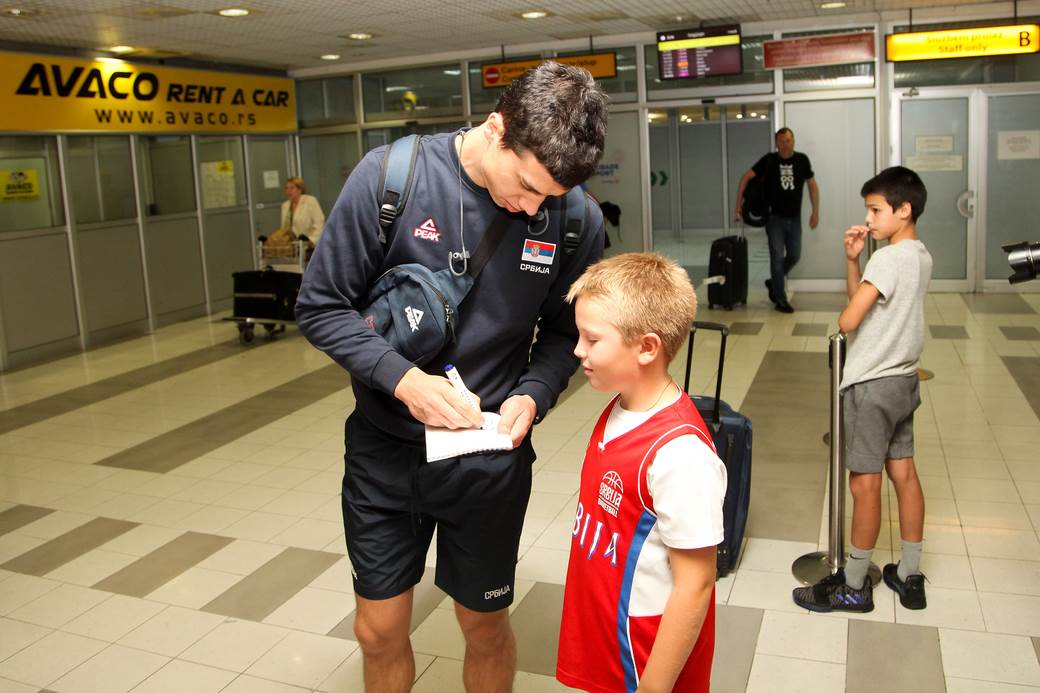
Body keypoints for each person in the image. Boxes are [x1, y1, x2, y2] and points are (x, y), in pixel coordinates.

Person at [295, 61, 607, 693]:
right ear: (496, 129)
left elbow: (569, 331)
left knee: (484, 626)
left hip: (487, 460)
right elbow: (320, 305)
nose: (532, 207)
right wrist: (403, 380)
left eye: (549, 196)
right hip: (386, 452)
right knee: (377, 631)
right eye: (524, 185)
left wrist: (534, 393)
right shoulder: (391, 180)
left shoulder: (575, 221)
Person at [557, 253, 725, 693]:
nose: (578, 350)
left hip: (644, 656)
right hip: (608, 637)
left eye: (592, 340)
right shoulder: (620, 406)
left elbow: (696, 583)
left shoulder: (680, 455)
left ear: (647, 347)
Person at [793, 166, 932, 613]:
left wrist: (866, 262)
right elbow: (869, 309)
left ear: (903, 209)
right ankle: (910, 575)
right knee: (904, 475)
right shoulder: (919, 255)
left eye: (875, 210)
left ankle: (853, 584)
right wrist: (853, 260)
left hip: (871, 385)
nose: (868, 220)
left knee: (864, 485)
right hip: (904, 380)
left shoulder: (888, 259)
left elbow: (849, 320)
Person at [734, 127, 820, 313]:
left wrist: (815, 211)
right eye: (781, 141)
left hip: (794, 219)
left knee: (795, 255)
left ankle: (774, 281)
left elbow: (812, 186)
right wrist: (738, 206)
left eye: (788, 140)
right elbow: (745, 178)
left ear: (793, 141)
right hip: (774, 219)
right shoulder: (769, 160)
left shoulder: (802, 160)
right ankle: (780, 298)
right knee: (776, 259)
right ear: (776, 143)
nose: (785, 144)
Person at [280, 176, 326, 244]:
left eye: (292, 188)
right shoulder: (285, 205)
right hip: (293, 247)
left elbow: (320, 224)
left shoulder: (310, 201)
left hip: (310, 245)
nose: (288, 191)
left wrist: (310, 240)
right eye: (286, 188)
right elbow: (284, 228)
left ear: (300, 190)